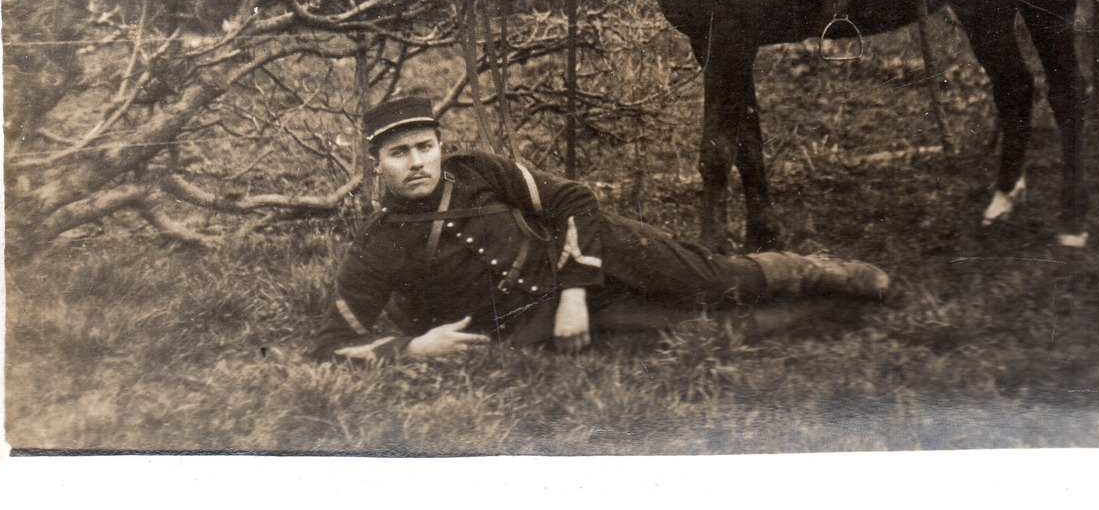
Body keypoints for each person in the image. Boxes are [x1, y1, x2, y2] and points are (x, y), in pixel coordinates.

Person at [312, 94, 893, 361]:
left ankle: (822, 272)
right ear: (375, 164)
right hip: (534, 328)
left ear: (441, 147)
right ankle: (839, 313)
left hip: (599, 254)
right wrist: (414, 347)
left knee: (715, 283)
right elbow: (333, 345)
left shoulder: (479, 171)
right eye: (399, 154)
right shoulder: (375, 247)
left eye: (425, 147)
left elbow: (573, 199)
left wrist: (572, 295)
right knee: (698, 333)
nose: (416, 163)